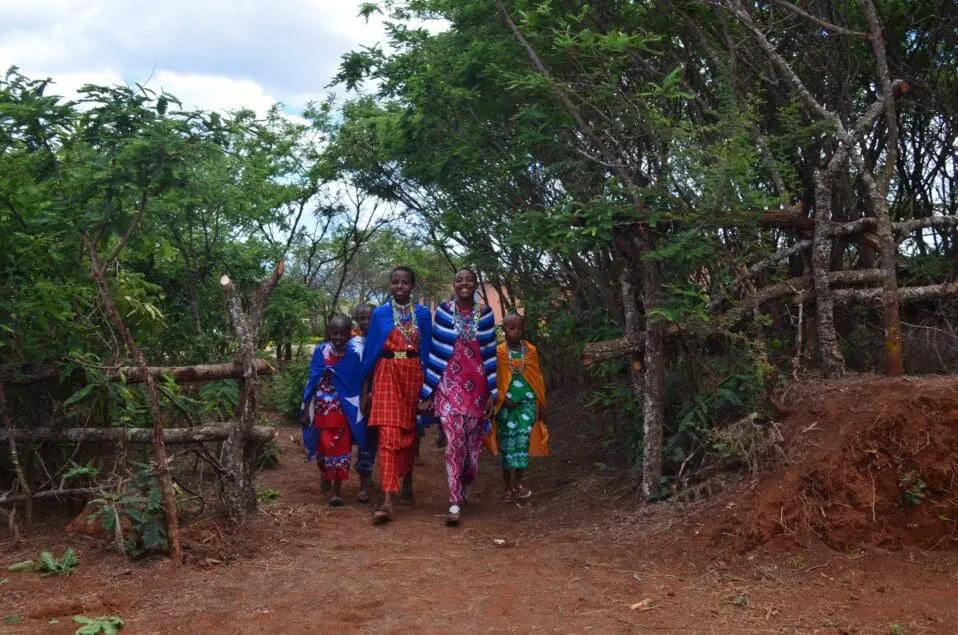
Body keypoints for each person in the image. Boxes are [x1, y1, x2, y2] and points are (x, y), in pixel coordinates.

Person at [421, 268, 497, 526]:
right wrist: (429, 391)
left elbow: (489, 354)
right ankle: (454, 500)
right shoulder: (443, 311)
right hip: (449, 387)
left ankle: (465, 481)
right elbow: (436, 351)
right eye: (459, 280)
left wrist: (491, 393)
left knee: (472, 448)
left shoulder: (486, 313)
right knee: (455, 443)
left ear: (476, 284)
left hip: (477, 389)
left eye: (469, 280)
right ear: (454, 284)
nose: (464, 284)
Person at [360, 266, 432, 524]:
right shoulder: (380, 314)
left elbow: (429, 353)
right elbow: (370, 355)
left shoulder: (423, 315)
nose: (399, 286)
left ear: (412, 286)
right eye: (395, 282)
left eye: (405, 282)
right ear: (390, 285)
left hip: (413, 375)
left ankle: (408, 483)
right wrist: (365, 391)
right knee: (388, 436)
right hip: (386, 373)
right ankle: (388, 499)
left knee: (409, 434)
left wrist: (429, 391)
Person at [300, 315, 366, 506]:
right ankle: (325, 475)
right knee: (322, 449)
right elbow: (312, 379)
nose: (338, 337)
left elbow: (358, 381)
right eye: (334, 333)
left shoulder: (354, 354)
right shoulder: (321, 351)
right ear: (328, 332)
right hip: (321, 409)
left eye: (342, 333)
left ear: (349, 334)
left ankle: (336, 492)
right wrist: (306, 408)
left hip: (344, 409)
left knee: (341, 450)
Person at [486, 312, 549, 503]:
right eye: (511, 328)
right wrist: (503, 399)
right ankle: (507, 487)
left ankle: (518, 482)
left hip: (527, 404)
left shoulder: (530, 350)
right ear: (503, 330)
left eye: (519, 328)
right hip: (505, 407)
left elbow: (537, 378)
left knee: (522, 442)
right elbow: (493, 380)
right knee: (507, 446)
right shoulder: (498, 353)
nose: (516, 331)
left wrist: (541, 404)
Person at [351, 303, 377, 503]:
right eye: (362, 318)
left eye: (370, 317)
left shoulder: (382, 341)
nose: (366, 322)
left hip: (382, 396)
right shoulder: (353, 344)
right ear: (356, 320)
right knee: (364, 440)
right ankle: (363, 481)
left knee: (376, 440)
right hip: (360, 399)